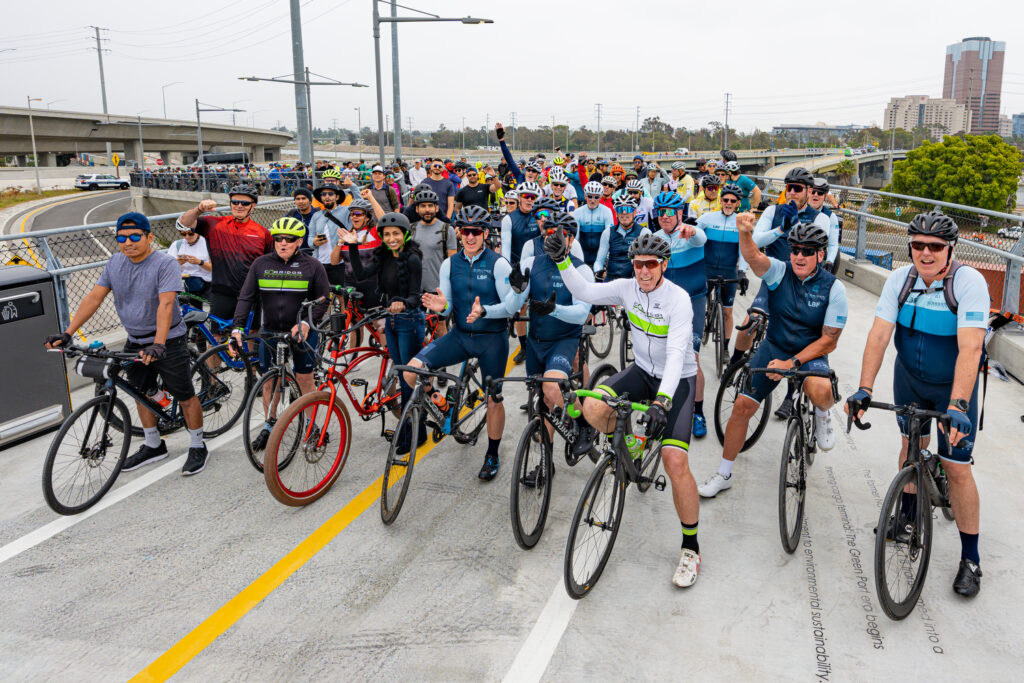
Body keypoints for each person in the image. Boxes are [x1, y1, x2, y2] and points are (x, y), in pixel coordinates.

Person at [547, 230, 703, 588]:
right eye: (638, 265)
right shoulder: (626, 287)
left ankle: (691, 548)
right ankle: (632, 441)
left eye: (651, 264)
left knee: (675, 462)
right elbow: (585, 292)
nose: (644, 271)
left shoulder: (677, 300)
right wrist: (562, 261)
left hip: (676, 380)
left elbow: (678, 353)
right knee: (592, 408)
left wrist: (664, 402)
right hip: (643, 371)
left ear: (664, 265)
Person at [845, 211, 988, 598]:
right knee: (910, 449)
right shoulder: (900, 279)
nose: (925, 253)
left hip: (951, 388)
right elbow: (878, 335)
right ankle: (906, 517)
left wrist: (958, 403)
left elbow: (971, 347)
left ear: (950, 249)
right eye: (918, 245)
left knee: (957, 470)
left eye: (935, 246)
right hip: (909, 377)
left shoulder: (968, 282)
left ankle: (971, 559)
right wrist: (864, 388)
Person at [45, 212, 208, 475]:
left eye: (134, 236)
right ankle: (154, 445)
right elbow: (94, 297)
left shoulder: (164, 264)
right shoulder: (115, 262)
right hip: (135, 340)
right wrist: (68, 333)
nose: (127, 242)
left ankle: (198, 445)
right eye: (121, 237)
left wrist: (158, 343)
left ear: (149, 237)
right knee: (141, 393)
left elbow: (166, 304)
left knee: (185, 395)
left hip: (168, 339)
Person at [700, 219, 847, 498]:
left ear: (821, 254)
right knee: (742, 406)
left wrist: (791, 366)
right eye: (795, 250)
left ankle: (822, 412)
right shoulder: (780, 271)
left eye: (807, 251)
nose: (799, 256)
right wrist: (745, 233)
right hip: (775, 346)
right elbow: (754, 258)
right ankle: (724, 473)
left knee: (821, 391)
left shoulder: (834, 288)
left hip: (811, 351)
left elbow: (829, 340)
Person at [408, 205, 523, 480]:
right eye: (465, 231)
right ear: (458, 233)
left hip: (491, 340)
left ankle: (492, 453)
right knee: (412, 371)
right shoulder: (450, 264)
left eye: (476, 232)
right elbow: (447, 309)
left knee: (493, 399)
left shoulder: (498, 264)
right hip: (459, 336)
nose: (470, 237)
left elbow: (511, 307)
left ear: (485, 234)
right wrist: (441, 306)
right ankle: (439, 400)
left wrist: (485, 311)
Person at [231, 216, 330, 453]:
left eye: (289, 239)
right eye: (278, 239)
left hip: (301, 332)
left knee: (305, 379)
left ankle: (310, 423)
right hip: (270, 332)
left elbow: (323, 300)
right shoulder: (261, 264)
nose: (283, 243)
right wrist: (237, 328)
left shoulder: (313, 265)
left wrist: (307, 322)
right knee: (270, 382)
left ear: (299, 241)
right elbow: (246, 297)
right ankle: (269, 424)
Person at [513, 211, 598, 463]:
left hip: (564, 341)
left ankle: (582, 423)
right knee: (543, 407)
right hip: (536, 341)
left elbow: (581, 314)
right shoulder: (531, 262)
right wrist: (515, 291)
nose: (556, 239)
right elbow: (513, 304)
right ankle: (544, 465)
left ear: (572, 240)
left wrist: (554, 309)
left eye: (563, 235)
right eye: (551, 234)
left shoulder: (582, 270)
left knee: (551, 387)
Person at [340, 212, 426, 453]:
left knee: (408, 378)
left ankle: (414, 432)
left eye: (396, 234)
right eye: (386, 234)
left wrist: (402, 303)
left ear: (405, 234)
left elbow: (415, 295)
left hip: (409, 320)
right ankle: (411, 426)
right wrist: (352, 246)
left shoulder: (412, 259)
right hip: (392, 321)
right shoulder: (383, 256)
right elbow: (360, 274)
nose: (391, 238)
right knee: (400, 375)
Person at [176, 184, 272, 331]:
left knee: (251, 334)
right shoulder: (215, 224)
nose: (239, 206)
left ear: (253, 207)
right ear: (230, 204)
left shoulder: (263, 233)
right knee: (216, 336)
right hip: (222, 292)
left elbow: (266, 263)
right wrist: (199, 209)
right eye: (235, 202)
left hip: (250, 293)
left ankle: (249, 355)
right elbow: (184, 223)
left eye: (245, 203)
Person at [654, 191, 710, 438]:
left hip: (694, 301)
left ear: (679, 213)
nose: (664, 217)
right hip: (666, 304)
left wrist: (692, 231)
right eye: (660, 212)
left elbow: (701, 238)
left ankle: (698, 412)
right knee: (662, 357)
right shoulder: (652, 237)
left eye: (670, 212)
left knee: (692, 359)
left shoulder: (689, 232)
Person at [699, 183, 749, 361]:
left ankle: (725, 348)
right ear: (721, 200)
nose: (728, 203)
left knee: (728, 312)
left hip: (729, 271)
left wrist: (742, 272)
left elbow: (744, 250)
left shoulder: (741, 223)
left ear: (738, 203)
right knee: (698, 306)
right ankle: (697, 336)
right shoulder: (707, 218)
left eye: (732, 201)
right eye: (725, 199)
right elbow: (694, 238)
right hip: (707, 269)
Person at [753, 166, 831, 263]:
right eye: (789, 188)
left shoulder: (821, 218)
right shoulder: (771, 211)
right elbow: (756, 242)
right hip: (775, 274)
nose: (792, 192)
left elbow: (815, 248)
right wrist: (780, 229)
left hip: (802, 276)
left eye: (797, 188)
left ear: (809, 191)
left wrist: (795, 224)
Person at [594, 194, 652, 280]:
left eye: (628, 209)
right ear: (616, 214)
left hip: (632, 281)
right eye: (620, 209)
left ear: (634, 213)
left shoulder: (644, 233)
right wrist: (599, 272)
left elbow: (648, 261)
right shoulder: (607, 233)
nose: (624, 213)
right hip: (611, 280)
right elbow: (599, 261)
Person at [573, 181, 616, 269]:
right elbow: (575, 238)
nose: (593, 200)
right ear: (585, 196)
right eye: (590, 196)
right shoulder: (577, 212)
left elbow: (609, 236)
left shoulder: (607, 211)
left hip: (601, 255)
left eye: (596, 197)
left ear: (601, 197)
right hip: (583, 254)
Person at [166, 223, 212, 300]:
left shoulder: (208, 243)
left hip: (207, 282)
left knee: (214, 308)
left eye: (191, 234)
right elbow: (167, 268)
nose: (187, 237)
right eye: (183, 234)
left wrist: (199, 262)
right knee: (191, 309)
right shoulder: (177, 245)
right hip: (185, 282)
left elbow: (215, 268)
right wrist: (178, 263)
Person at [808, 177, 840, 269]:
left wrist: (829, 261)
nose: (816, 195)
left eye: (820, 193)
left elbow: (833, 244)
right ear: (808, 193)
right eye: (813, 192)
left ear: (825, 196)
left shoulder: (831, 216)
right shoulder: (799, 210)